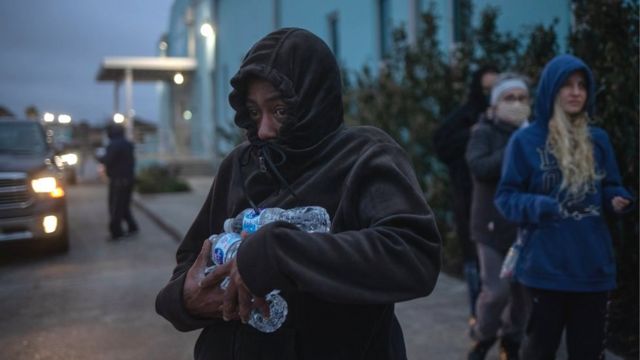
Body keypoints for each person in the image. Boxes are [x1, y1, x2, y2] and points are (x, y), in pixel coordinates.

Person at [155, 28, 442, 360]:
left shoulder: (364, 155)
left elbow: (412, 255)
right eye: (253, 112)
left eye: (279, 111)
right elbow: (190, 262)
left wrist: (280, 253)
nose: (262, 130)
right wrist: (182, 301)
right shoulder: (238, 165)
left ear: (314, 101)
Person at [494, 54, 634, 359]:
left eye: (582, 85)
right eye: (567, 85)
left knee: (587, 352)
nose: (576, 92)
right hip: (545, 268)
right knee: (539, 351)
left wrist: (617, 199)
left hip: (593, 267)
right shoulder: (526, 141)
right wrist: (538, 204)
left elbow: (610, 184)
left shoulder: (598, 140)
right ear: (550, 90)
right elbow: (505, 197)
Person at [465, 73, 531, 359]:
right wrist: (515, 145)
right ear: (495, 103)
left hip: (524, 228)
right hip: (491, 228)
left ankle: (511, 341)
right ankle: (483, 337)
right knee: (496, 292)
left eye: (522, 98)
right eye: (509, 98)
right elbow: (480, 167)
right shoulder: (484, 132)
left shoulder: (534, 134)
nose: (516, 104)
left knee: (523, 295)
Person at [433, 65, 498, 322]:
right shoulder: (464, 118)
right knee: (473, 257)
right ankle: (478, 316)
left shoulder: (507, 119)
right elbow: (442, 145)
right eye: (486, 89)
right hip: (468, 196)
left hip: (502, 201)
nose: (490, 95)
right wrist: (472, 133)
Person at [98, 124, 138, 240]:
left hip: (118, 181)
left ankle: (116, 232)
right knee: (124, 206)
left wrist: (99, 158)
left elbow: (108, 160)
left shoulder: (114, 144)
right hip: (128, 179)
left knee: (115, 207)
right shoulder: (127, 143)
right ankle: (132, 227)